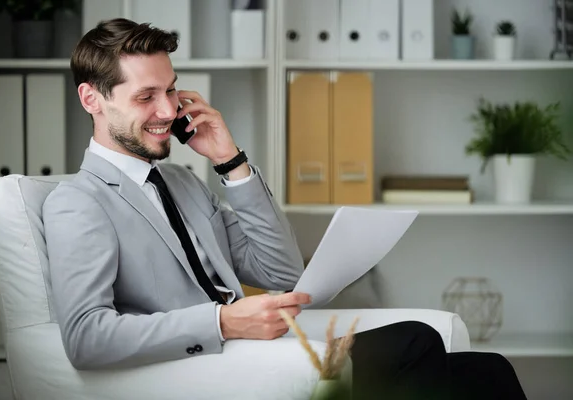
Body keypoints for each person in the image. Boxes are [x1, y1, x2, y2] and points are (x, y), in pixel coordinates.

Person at [42, 18, 527, 399]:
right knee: (414, 341)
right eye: (146, 96)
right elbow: (86, 337)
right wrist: (223, 321)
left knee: (487, 372)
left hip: (258, 348)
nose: (169, 111)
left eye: (170, 89)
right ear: (92, 99)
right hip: (206, 364)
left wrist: (230, 162)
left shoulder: (183, 183)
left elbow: (280, 271)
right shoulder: (79, 202)